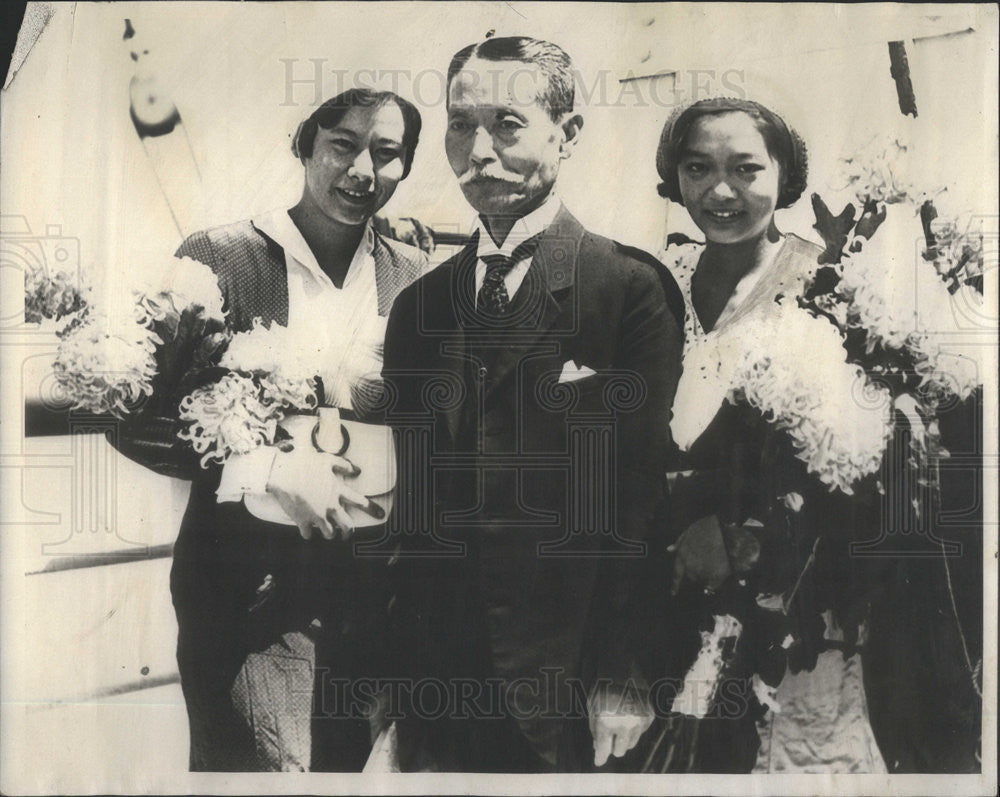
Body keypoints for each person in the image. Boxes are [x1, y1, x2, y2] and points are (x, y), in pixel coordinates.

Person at [380, 36, 684, 772]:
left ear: (567, 132)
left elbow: (638, 495)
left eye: (508, 124)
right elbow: (413, 509)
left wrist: (621, 667)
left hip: (572, 681)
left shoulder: (628, 287)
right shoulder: (420, 305)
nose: (478, 149)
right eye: (460, 124)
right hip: (440, 682)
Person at [116, 88, 428, 771]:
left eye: (387, 153)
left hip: (371, 591)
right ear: (305, 145)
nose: (362, 172)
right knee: (265, 771)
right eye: (343, 145)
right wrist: (265, 468)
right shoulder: (221, 257)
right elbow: (132, 410)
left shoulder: (413, 275)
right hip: (244, 584)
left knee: (342, 771)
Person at [645, 97, 887, 773]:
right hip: (665, 585)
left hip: (790, 598)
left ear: (784, 174)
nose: (721, 191)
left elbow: (855, 461)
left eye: (746, 168)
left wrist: (739, 534)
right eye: (698, 168)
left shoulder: (828, 282)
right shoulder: (658, 278)